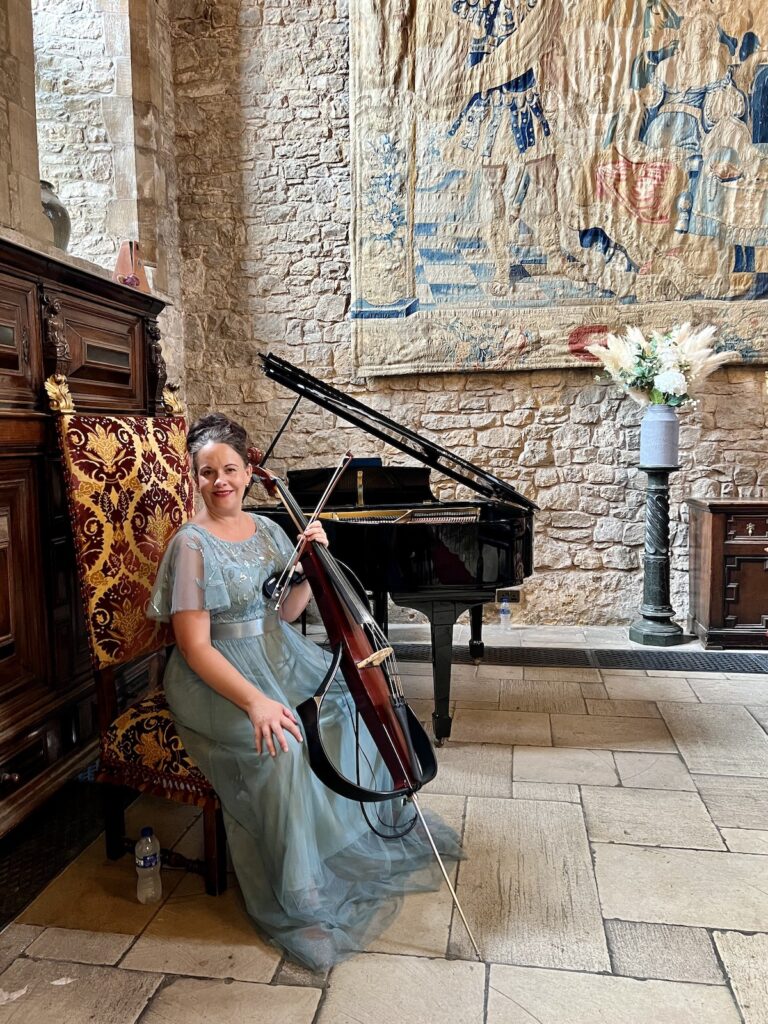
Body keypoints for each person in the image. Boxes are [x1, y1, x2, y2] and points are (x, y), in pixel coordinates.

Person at [148, 413, 461, 970]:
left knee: (344, 709)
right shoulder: (191, 545)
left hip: (275, 651)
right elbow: (195, 648)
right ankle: (302, 899)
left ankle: (338, 848)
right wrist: (256, 701)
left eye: (230, 469)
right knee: (288, 743)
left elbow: (286, 614)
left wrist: (306, 566)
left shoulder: (269, 531)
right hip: (215, 673)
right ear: (191, 477)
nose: (220, 481)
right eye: (206, 472)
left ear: (248, 472)